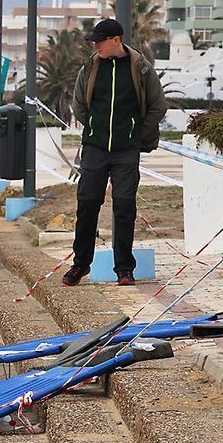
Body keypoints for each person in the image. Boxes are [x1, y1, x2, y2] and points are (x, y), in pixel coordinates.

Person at [63, 17, 168, 287]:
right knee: (87, 204)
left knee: (124, 206)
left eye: (99, 41)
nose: (95, 45)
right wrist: (95, 128)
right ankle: (80, 264)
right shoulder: (90, 67)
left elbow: (158, 106)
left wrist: (136, 134)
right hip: (95, 147)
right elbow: (78, 105)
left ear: (115, 41)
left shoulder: (140, 68)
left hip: (126, 150)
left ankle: (124, 268)